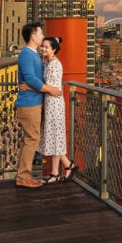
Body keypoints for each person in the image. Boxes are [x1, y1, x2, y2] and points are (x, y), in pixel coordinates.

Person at [15, 22, 61, 188]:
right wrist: (50, 90)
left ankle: (23, 175)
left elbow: (34, 79)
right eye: (40, 34)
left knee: (29, 139)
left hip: (34, 101)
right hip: (29, 104)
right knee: (32, 139)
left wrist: (31, 84)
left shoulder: (33, 54)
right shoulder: (27, 54)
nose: (43, 37)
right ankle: (23, 177)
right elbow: (32, 78)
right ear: (33, 36)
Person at [37, 36, 78, 183]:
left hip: (54, 103)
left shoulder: (54, 64)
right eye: (42, 46)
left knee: (54, 136)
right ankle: (61, 169)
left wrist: (31, 85)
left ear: (54, 49)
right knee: (54, 136)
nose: (43, 49)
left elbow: (49, 86)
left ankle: (66, 167)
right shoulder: (47, 62)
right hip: (50, 102)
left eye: (46, 47)